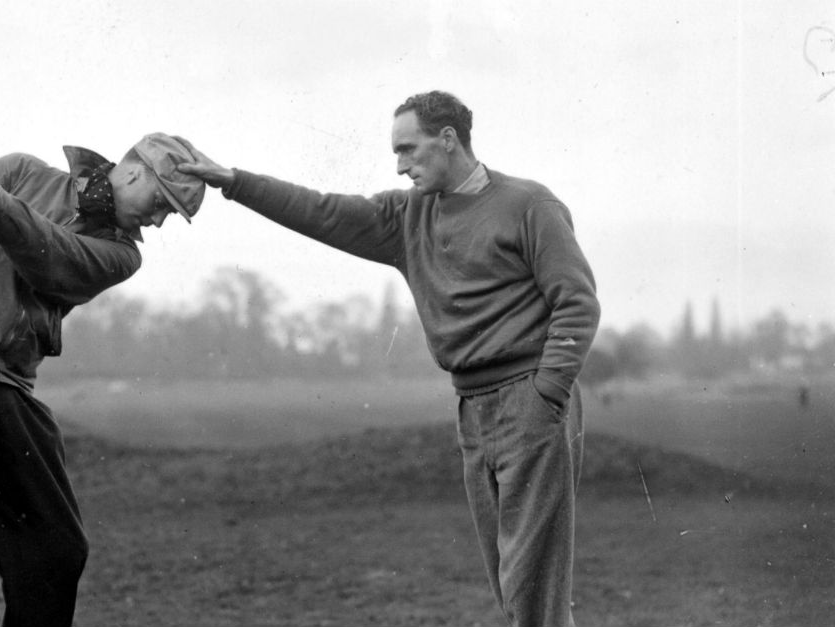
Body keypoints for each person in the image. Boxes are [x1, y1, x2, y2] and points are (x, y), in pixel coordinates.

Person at [178, 90, 600, 626]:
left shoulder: (529, 204)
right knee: (509, 577)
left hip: (530, 400)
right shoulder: (407, 215)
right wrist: (234, 182)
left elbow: (577, 300)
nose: (399, 167)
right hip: (472, 406)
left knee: (532, 579)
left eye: (408, 150)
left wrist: (548, 392)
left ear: (448, 139)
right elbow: (322, 210)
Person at [0, 116, 205, 627]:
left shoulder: (122, 256)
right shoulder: (21, 172)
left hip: (9, 380)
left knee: (56, 548)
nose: (160, 222)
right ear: (133, 172)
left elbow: (48, 255)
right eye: (163, 203)